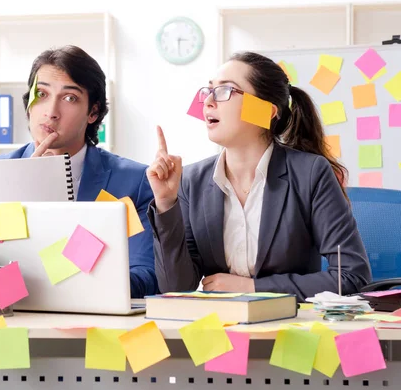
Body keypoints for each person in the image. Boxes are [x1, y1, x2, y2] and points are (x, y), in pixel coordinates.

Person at [146, 51, 372, 301]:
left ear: (266, 111)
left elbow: (352, 276)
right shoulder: (191, 180)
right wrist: (166, 203)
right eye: (208, 91)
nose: (208, 102)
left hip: (292, 328)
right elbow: (176, 288)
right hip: (220, 329)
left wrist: (254, 288)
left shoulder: (310, 173)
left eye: (225, 91)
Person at [0, 45, 158, 298]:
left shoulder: (134, 182)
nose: (51, 112)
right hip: (16, 325)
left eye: (70, 98)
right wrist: (18, 200)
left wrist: (66, 271)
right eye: (41, 94)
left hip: (98, 327)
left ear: (93, 112)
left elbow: (147, 279)